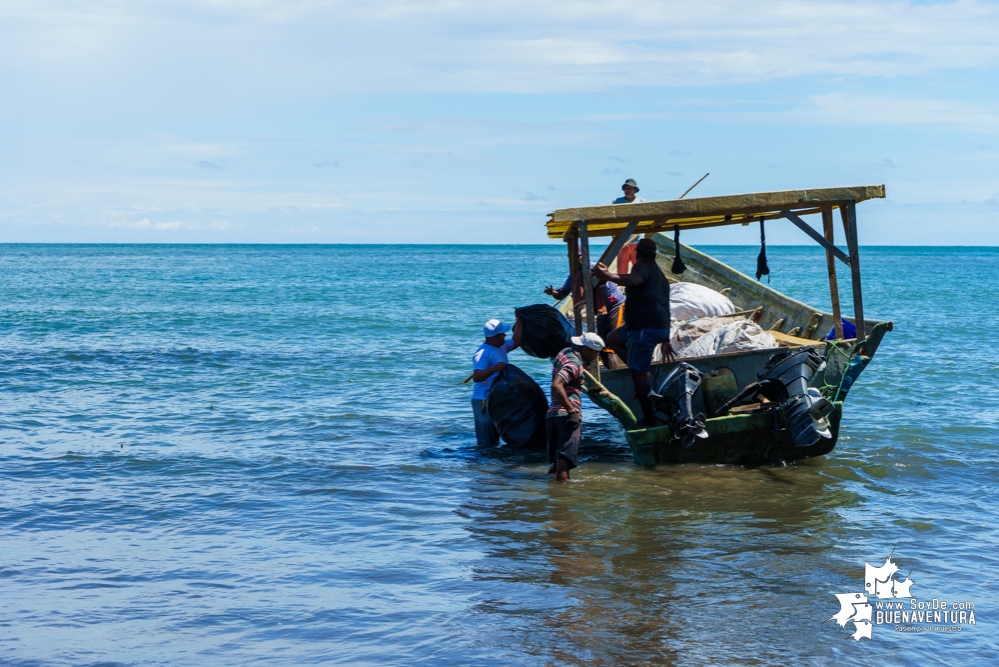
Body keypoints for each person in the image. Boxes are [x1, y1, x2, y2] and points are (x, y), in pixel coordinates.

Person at [593, 238, 676, 427]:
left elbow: (633, 280)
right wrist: (666, 337)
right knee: (612, 338)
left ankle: (650, 418)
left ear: (637, 254)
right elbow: (665, 306)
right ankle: (640, 372)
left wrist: (608, 276)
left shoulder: (642, 268)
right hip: (651, 327)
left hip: (645, 329)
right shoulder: (659, 275)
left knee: (638, 375)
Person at [547, 332, 604, 481]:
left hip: (553, 415)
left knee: (556, 463)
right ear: (587, 350)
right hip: (566, 416)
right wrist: (571, 411)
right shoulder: (574, 364)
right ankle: (564, 500)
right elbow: (556, 385)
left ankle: (551, 497)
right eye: (595, 354)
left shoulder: (565, 353)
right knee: (564, 464)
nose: (595, 358)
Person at [543, 261, 625, 348]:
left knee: (612, 337)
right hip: (601, 311)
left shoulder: (595, 270)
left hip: (615, 306)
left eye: (580, 258)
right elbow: (562, 293)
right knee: (602, 341)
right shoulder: (574, 275)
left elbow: (607, 295)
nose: (578, 262)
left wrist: (585, 297)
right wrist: (554, 292)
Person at [471, 317, 522, 446]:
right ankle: (482, 465)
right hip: (483, 400)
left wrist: (520, 319)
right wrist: (494, 368)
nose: (505, 335)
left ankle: (494, 464)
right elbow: (476, 377)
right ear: (494, 338)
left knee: (496, 437)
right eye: (502, 334)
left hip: (497, 399)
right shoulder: (482, 353)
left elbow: (516, 341)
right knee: (486, 441)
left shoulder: (502, 346)